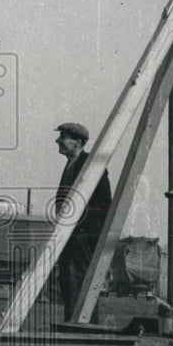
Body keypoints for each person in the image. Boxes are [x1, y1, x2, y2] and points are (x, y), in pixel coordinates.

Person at [53, 122, 113, 321]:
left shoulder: (92, 166)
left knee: (79, 282)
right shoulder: (70, 165)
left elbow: (104, 203)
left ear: (77, 142)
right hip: (68, 237)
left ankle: (85, 326)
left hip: (82, 238)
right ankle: (72, 324)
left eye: (63, 137)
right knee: (68, 282)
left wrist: (81, 227)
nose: (58, 141)